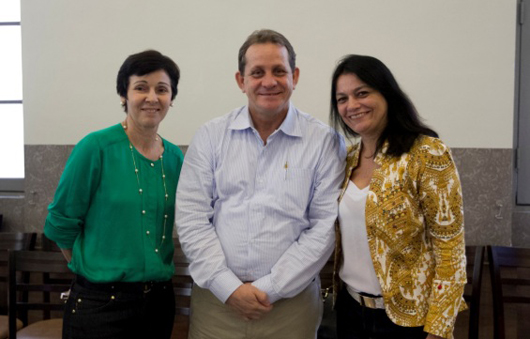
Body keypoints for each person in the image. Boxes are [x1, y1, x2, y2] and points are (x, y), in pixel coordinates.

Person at [175, 29, 345, 339]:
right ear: (241, 80)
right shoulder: (211, 136)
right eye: (257, 73)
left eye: (279, 71)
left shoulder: (324, 142)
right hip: (217, 304)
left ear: (294, 76)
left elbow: (324, 227)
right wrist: (229, 288)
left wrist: (270, 288)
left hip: (291, 308)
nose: (269, 81)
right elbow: (191, 218)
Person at [44, 50, 184, 339]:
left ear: (171, 98)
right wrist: (91, 267)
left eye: (162, 89)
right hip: (99, 305)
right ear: (124, 95)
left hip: (158, 302)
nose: (152, 97)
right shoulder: (95, 148)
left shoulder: (175, 158)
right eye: (140, 87)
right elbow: (60, 223)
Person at [329, 54, 467, 339]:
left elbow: (450, 250)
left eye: (362, 93)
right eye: (342, 99)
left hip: (408, 321)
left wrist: (439, 329)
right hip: (350, 310)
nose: (352, 105)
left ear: (387, 93)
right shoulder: (346, 158)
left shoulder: (426, 153)